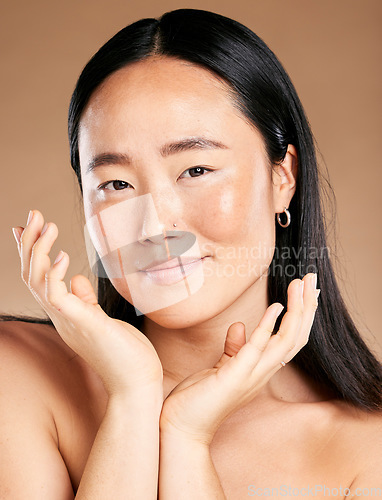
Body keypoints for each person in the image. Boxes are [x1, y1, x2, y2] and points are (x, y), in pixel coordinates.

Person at [2, 7, 381, 499]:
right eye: (115, 183)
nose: (156, 226)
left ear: (282, 178)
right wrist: (134, 395)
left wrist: (185, 436)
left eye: (196, 171)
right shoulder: (19, 375)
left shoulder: (365, 449)